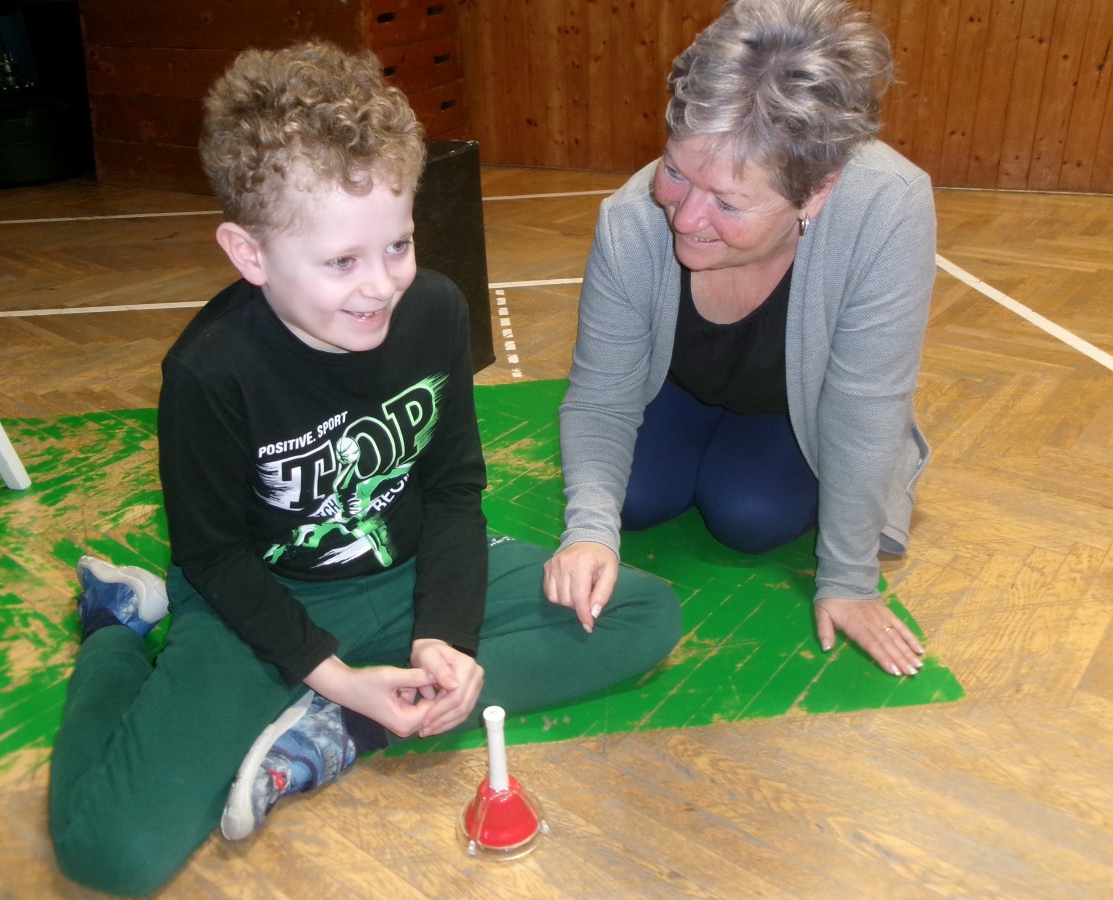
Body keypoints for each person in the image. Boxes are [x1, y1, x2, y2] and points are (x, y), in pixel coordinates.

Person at [48, 41, 681, 897]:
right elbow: (214, 556)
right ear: (249, 253)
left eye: (399, 244)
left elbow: (453, 490)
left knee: (641, 613)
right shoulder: (208, 372)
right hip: (263, 606)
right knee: (110, 855)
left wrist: (446, 637)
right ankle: (118, 630)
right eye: (342, 261)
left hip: (407, 574)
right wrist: (333, 670)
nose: (381, 286)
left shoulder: (435, 312)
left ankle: (348, 729)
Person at [543, 0, 935, 680]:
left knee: (752, 518)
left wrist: (848, 579)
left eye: (727, 202)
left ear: (815, 193)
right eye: (675, 172)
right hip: (682, 384)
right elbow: (602, 395)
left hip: (795, 403)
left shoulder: (888, 209)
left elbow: (866, 405)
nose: (685, 218)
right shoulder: (631, 219)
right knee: (629, 500)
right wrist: (588, 532)